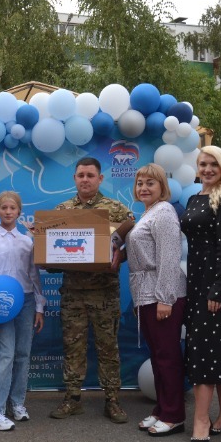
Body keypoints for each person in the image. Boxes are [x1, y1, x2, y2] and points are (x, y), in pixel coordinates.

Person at [50, 157, 132, 424]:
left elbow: (135, 244)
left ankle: (113, 400)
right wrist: (46, 254)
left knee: (108, 347)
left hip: (105, 293)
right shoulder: (61, 211)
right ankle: (72, 398)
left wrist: (123, 253)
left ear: (100, 179)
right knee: (72, 347)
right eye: (80, 175)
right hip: (73, 293)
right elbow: (51, 253)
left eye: (90, 175)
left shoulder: (117, 210)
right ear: (74, 179)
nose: (85, 179)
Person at [180, 145, 221, 442]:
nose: (207, 169)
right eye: (203, 164)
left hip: (216, 285)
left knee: (205, 350)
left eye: (213, 165)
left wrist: (217, 288)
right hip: (196, 282)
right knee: (216, 347)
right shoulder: (195, 198)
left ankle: (201, 419)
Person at [124, 164, 187, 437]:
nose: (144, 188)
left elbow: (169, 258)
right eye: (140, 183)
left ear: (162, 187)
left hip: (162, 295)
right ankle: (162, 409)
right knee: (158, 356)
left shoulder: (164, 213)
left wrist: (165, 298)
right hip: (145, 294)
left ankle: (174, 415)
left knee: (167, 356)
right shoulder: (148, 214)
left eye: (150, 183)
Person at [0, 191, 45, 431]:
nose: (8, 212)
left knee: (22, 354)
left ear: (19, 212)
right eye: (4, 208)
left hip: (26, 302)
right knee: (5, 354)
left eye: (13, 208)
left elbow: (34, 275)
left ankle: (17, 403)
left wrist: (39, 306)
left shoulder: (27, 241)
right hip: (2, 303)